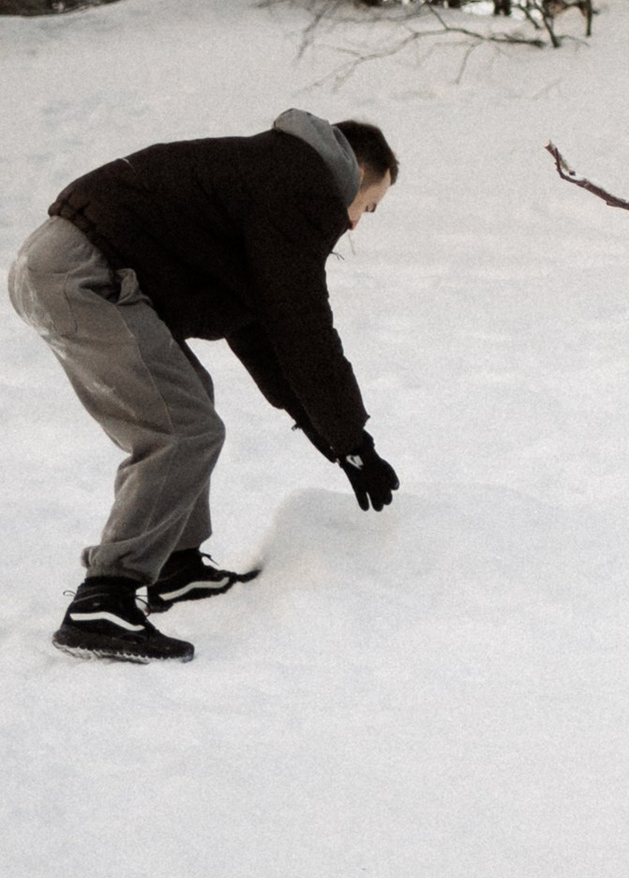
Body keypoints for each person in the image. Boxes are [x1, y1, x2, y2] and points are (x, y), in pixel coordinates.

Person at [9, 105, 402, 666]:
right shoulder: (301, 185)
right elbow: (302, 323)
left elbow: (265, 332)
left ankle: (178, 568)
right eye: (369, 205)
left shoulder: (273, 175)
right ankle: (106, 598)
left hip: (61, 266)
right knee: (183, 428)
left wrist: (335, 439)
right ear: (354, 172)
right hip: (81, 272)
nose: (358, 222)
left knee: (189, 401)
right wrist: (353, 440)